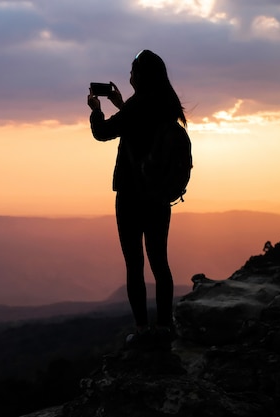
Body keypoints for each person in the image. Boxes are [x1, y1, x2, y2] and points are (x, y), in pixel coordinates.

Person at [87, 50, 187, 347]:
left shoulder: (137, 107)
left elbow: (103, 133)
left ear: (140, 75)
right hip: (159, 196)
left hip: (131, 195)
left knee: (134, 265)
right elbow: (139, 125)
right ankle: (165, 327)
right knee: (160, 263)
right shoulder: (167, 105)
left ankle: (142, 331)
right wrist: (122, 104)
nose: (129, 77)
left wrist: (96, 109)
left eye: (132, 72)